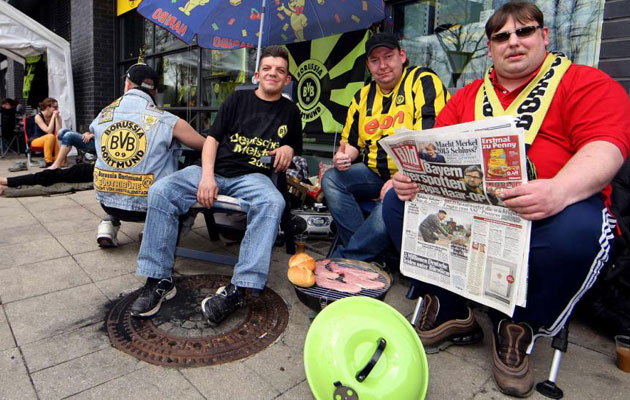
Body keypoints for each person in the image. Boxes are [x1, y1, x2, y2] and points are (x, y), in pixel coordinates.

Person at [382, 2, 630, 397]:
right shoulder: (467, 96)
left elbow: (606, 148)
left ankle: (515, 323)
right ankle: (452, 309)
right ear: (490, 47)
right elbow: (433, 150)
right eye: (501, 36)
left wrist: (559, 190)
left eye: (524, 31)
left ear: (544, 36)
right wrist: (410, 178)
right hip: (473, 211)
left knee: (582, 229)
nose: (513, 42)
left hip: (549, 209)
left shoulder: (584, 81)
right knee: (397, 202)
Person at [129, 46, 302, 324]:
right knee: (161, 191)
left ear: (287, 79)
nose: (273, 73)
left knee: (273, 202)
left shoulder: (291, 112)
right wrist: (207, 177)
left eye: (280, 70)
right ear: (257, 74)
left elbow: (292, 144)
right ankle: (159, 279)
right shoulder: (237, 99)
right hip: (214, 170)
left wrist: (289, 149)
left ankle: (240, 287)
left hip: (252, 177)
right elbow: (211, 140)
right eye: (267, 68)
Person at [321, 32, 449, 262]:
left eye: (388, 56)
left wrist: (401, 176)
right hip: (374, 173)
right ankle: (370, 254)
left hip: (416, 177)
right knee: (331, 179)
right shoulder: (362, 96)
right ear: (368, 65)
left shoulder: (422, 81)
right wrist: (344, 157)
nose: (382, 66)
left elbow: (432, 140)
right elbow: (351, 143)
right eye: (374, 60)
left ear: (402, 56)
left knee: (393, 196)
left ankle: (350, 258)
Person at [91, 63, 205, 247]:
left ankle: (107, 224)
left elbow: (92, 135)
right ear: (155, 92)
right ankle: (160, 227)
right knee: (194, 175)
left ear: (127, 85)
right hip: (150, 205)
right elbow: (206, 146)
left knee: (121, 169)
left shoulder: (103, 115)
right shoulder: (167, 120)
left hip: (107, 200)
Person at [0, 163, 94, 196]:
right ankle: (7, 182)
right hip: (95, 167)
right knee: (50, 176)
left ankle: (7, 182)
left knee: (49, 176)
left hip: (96, 170)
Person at [31, 98, 62, 166]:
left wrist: (56, 118)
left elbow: (59, 132)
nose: (57, 109)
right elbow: (48, 131)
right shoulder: (38, 117)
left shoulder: (57, 116)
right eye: (55, 107)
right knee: (50, 136)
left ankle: (58, 160)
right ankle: (48, 161)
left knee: (57, 136)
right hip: (37, 140)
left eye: (57, 106)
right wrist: (53, 117)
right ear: (48, 107)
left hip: (51, 140)